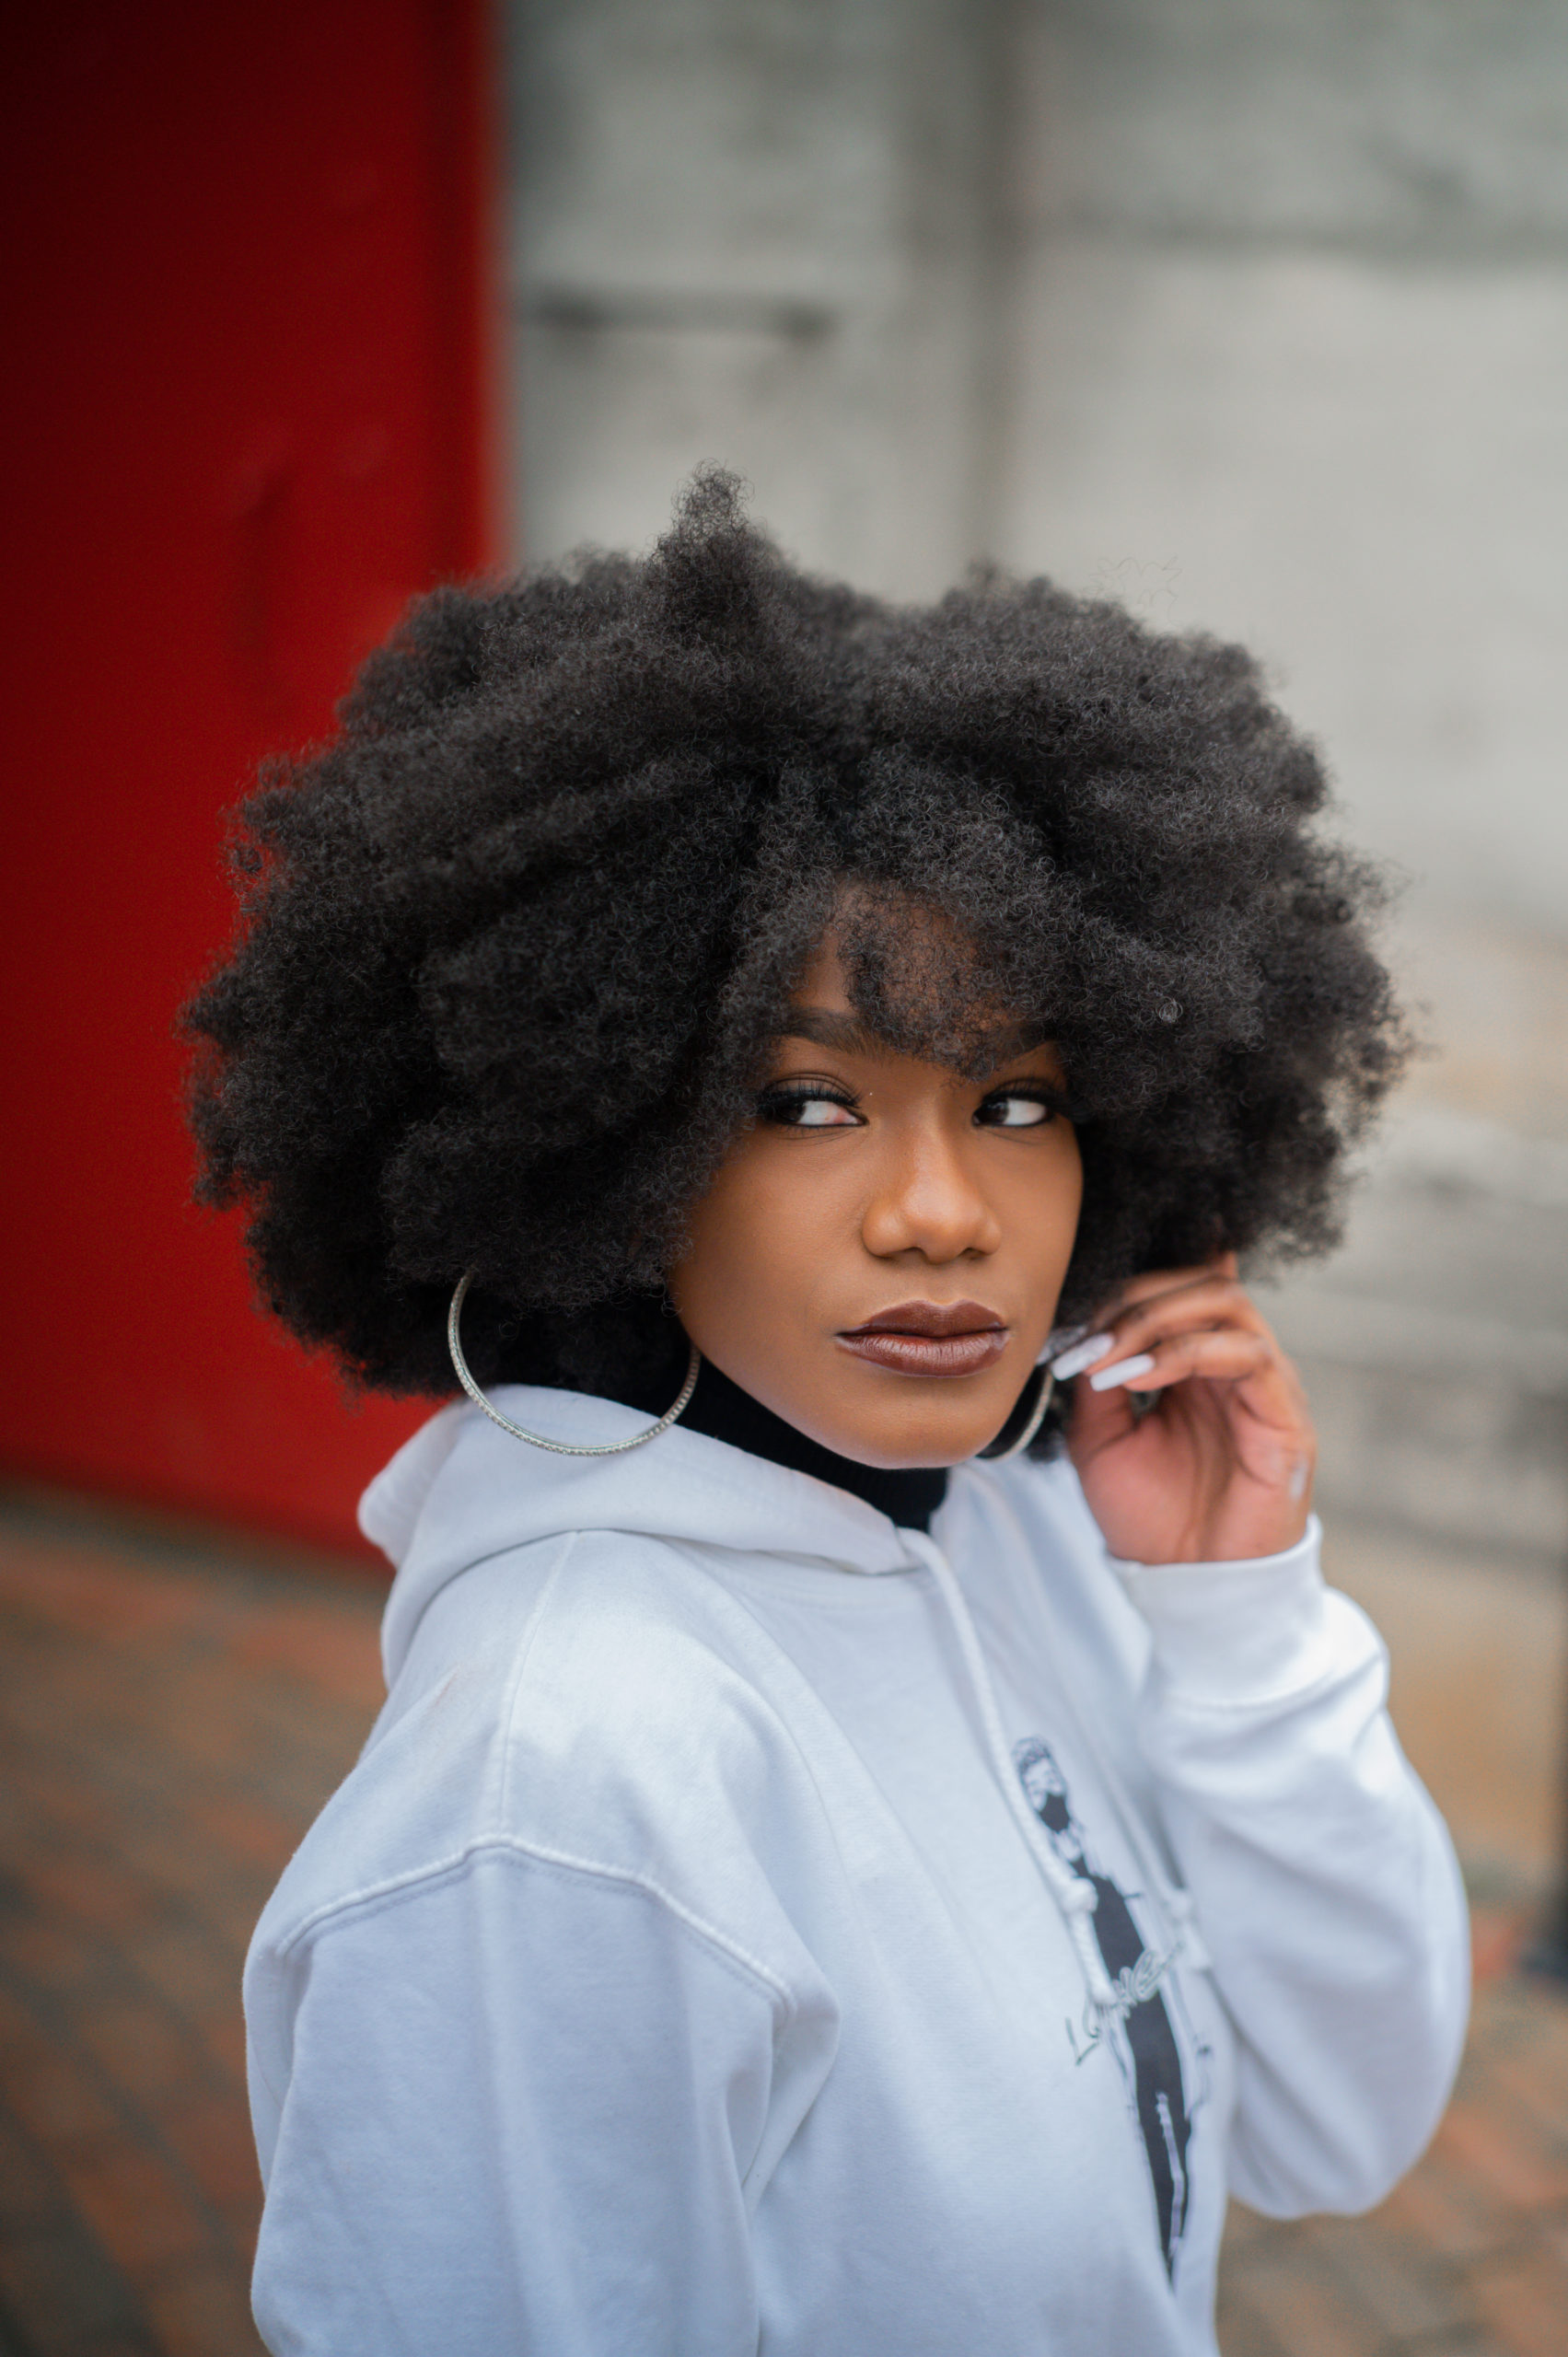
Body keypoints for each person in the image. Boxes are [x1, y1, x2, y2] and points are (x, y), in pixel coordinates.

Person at [185, 472, 1468, 2355]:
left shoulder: (1018, 1517)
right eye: (807, 1103)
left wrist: (1240, 1618)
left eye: (1016, 1101)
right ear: (613, 1140)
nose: (941, 1210)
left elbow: (1332, 2125)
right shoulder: (565, 1788)